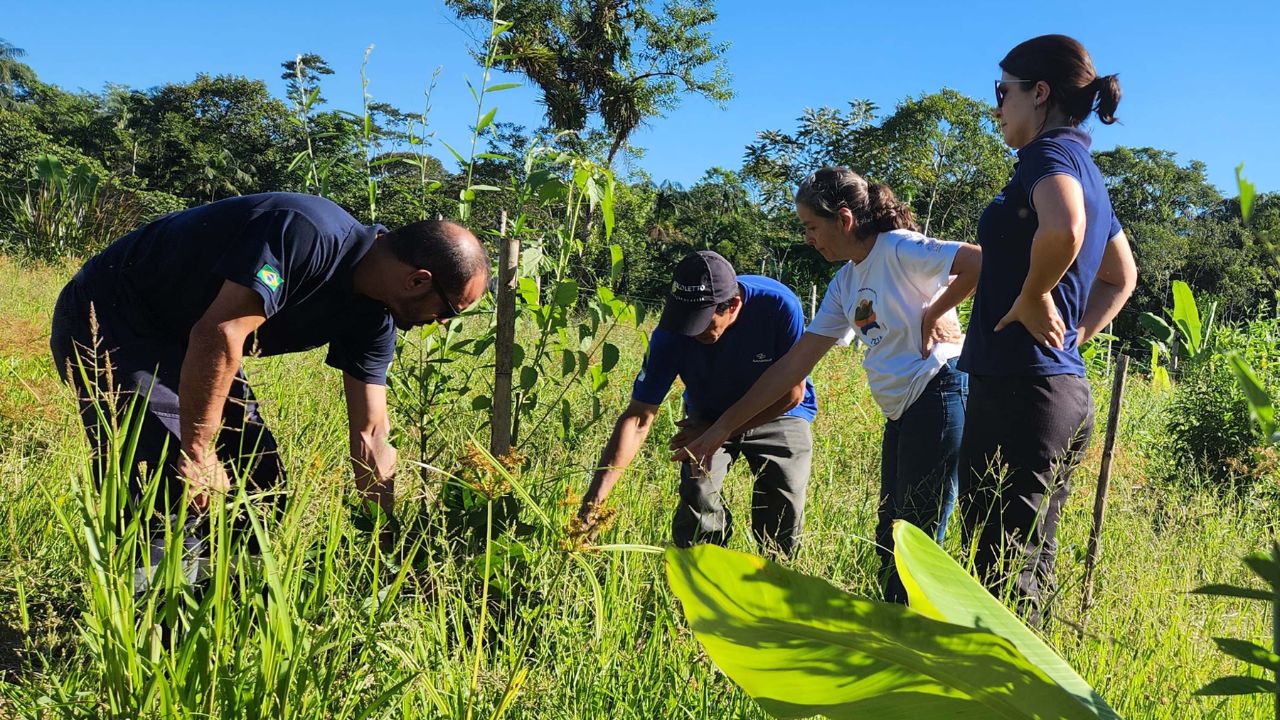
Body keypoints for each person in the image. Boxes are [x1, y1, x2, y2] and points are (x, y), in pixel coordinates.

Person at [50, 192, 490, 574]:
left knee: (259, 483)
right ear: (418, 281)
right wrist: (198, 452)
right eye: (449, 310)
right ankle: (157, 631)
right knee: (169, 479)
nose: (441, 322)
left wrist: (383, 534)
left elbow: (371, 433)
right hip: (113, 314)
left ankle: (234, 605)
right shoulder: (306, 232)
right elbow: (221, 333)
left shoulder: (374, 317)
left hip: (194, 340)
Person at [680, 168, 980, 602]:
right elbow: (791, 368)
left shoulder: (897, 248)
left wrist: (935, 313)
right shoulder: (846, 282)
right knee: (892, 530)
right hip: (903, 408)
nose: (808, 238)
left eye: (812, 227)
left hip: (938, 389)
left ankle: (912, 637)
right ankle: (891, 629)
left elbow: (978, 262)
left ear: (844, 219)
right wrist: (721, 429)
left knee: (917, 533)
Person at [959, 34, 1137, 625]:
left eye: (1002, 91)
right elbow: (1121, 276)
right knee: (1027, 562)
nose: (997, 106)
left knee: (999, 569)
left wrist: (1034, 295)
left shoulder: (1046, 155)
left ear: (1039, 94)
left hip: (1021, 389)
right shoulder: (1086, 165)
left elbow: (1064, 228)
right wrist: (1074, 337)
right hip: (1056, 390)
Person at [578, 251, 817, 558]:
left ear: (733, 306)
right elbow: (638, 418)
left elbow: (791, 394)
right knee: (698, 492)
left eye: (703, 323)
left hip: (778, 411)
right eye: (687, 322)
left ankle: (779, 577)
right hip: (708, 413)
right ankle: (701, 576)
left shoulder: (778, 306)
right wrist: (592, 504)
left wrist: (720, 431)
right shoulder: (670, 333)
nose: (692, 332)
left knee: (782, 492)